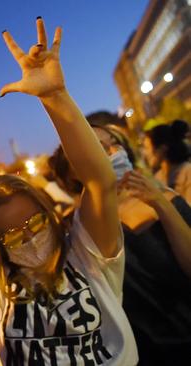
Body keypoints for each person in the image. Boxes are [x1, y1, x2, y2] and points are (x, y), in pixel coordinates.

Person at [0, 18, 137, 364]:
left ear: (50, 215)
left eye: (35, 223)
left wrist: (55, 97)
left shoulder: (87, 255)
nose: (30, 238)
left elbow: (100, 181)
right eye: (13, 236)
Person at [52, 123, 191, 365]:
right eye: (95, 147)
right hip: (141, 353)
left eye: (111, 143)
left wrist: (161, 203)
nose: (109, 151)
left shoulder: (166, 198)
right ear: (72, 172)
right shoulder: (79, 233)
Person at [143, 121, 191, 203]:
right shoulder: (158, 177)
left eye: (148, 148)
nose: (145, 153)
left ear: (162, 148)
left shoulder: (187, 171)